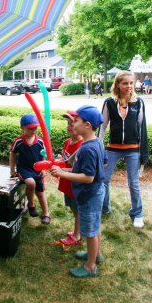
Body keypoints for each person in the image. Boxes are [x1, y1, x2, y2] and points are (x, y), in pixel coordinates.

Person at [51, 105, 106, 278]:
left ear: (87, 125)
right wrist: (65, 170)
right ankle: (95, 254)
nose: (73, 123)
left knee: (89, 231)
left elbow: (89, 177)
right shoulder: (95, 142)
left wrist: (64, 174)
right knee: (94, 227)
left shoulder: (88, 148)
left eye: (76, 121)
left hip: (90, 194)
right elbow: (102, 163)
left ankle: (90, 266)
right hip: (96, 192)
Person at [98, 71, 149, 228]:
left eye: (131, 83)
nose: (129, 86)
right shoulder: (109, 103)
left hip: (133, 149)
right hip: (112, 148)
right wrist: (99, 149)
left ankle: (137, 213)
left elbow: (142, 128)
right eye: (125, 83)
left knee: (133, 182)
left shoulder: (138, 103)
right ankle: (105, 208)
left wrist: (143, 153)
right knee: (104, 179)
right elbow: (102, 126)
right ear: (118, 85)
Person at [9, 113, 51, 224]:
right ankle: (31, 205)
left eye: (35, 128)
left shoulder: (40, 141)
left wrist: (43, 168)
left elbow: (43, 155)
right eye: (30, 128)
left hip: (37, 170)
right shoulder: (18, 141)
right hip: (24, 169)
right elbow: (12, 154)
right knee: (31, 183)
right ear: (22, 128)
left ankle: (46, 213)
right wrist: (12, 170)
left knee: (41, 192)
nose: (33, 131)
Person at [54, 112, 83, 247]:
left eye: (72, 123)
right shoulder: (67, 142)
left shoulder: (82, 146)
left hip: (75, 184)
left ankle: (77, 236)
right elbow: (65, 160)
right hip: (66, 181)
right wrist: (55, 164)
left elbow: (81, 171)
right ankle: (78, 231)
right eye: (68, 123)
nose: (69, 126)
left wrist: (62, 171)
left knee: (77, 210)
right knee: (72, 207)